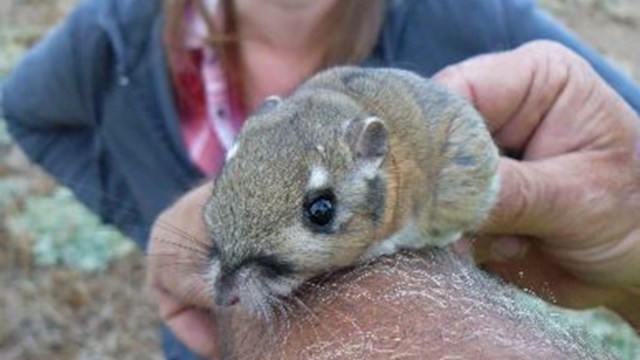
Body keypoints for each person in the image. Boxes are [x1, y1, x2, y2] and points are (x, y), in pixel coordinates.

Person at [1, 0, 639, 359]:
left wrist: (631, 257)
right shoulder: (111, 32)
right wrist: (150, 216)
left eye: (317, 214)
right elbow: (29, 114)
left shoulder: (486, 24)